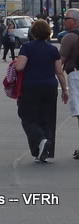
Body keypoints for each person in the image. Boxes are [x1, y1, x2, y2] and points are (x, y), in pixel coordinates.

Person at [15, 19, 68, 162]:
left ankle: (40, 140)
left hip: (31, 87)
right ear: (48, 33)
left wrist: (15, 62)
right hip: (50, 87)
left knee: (27, 116)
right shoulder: (53, 49)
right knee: (48, 118)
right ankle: (44, 152)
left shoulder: (27, 47)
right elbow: (59, 71)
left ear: (33, 32)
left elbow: (20, 67)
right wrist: (65, 90)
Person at [59, 9, 79, 159]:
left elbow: (60, 61)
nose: (64, 20)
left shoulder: (70, 37)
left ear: (75, 21)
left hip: (76, 76)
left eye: (67, 18)